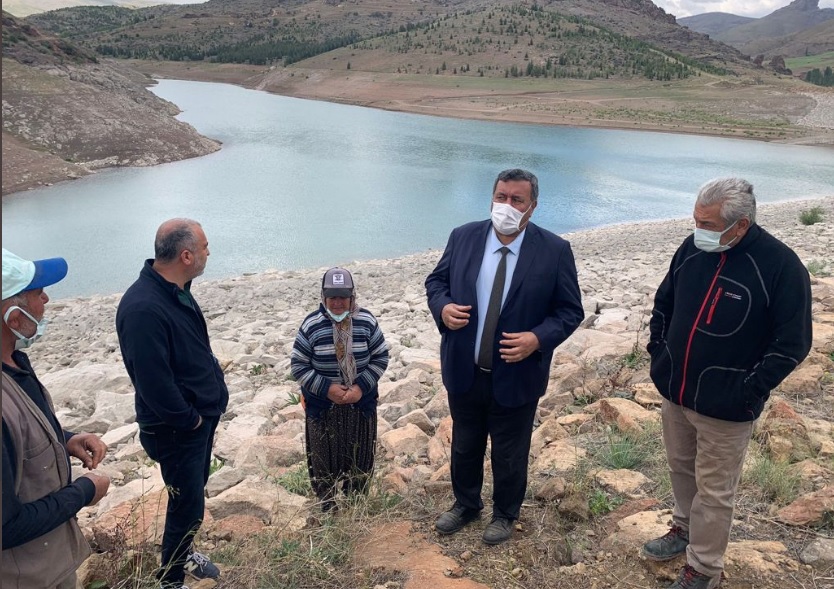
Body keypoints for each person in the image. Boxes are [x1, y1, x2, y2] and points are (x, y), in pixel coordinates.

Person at [642, 178, 813, 589]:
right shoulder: (692, 249)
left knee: (715, 491)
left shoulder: (780, 266)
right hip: (676, 392)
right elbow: (664, 303)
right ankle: (684, 529)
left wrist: (749, 389)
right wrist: (659, 355)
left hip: (728, 408)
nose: (697, 230)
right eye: (695, 220)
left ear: (741, 225)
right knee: (681, 469)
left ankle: (703, 568)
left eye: (707, 224)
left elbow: (793, 344)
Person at [425, 168, 584, 545]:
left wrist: (537, 338)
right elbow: (436, 282)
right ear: (492, 197)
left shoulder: (554, 250)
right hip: (465, 368)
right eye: (501, 197)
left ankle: (505, 514)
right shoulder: (463, 237)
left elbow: (569, 311)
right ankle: (466, 505)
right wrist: (442, 308)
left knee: (511, 452)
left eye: (516, 200)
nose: (507, 206)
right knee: (465, 443)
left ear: (532, 206)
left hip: (518, 373)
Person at [116, 219, 228, 589]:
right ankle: (172, 578)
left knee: (190, 496)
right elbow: (153, 381)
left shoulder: (175, 290)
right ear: (186, 255)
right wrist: (189, 420)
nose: (209, 252)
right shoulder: (143, 308)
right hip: (177, 429)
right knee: (187, 504)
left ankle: (183, 555)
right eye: (205, 247)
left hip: (195, 421)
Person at [2, 248, 110, 589]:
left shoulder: (13, 363)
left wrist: (65, 438)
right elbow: (5, 526)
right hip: (25, 577)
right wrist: (84, 491)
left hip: (47, 565)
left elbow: (20, 431)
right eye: (37, 293)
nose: (46, 299)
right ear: (13, 318)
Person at [291, 267, 389, 512]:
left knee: (360, 458)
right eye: (332, 297)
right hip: (323, 407)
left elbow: (380, 357)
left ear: (352, 297)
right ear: (323, 297)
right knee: (323, 461)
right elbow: (299, 365)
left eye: (343, 297)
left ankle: (356, 504)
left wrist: (360, 387)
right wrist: (327, 389)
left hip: (360, 405)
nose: (337, 303)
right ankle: (328, 506)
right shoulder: (311, 325)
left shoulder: (366, 321)